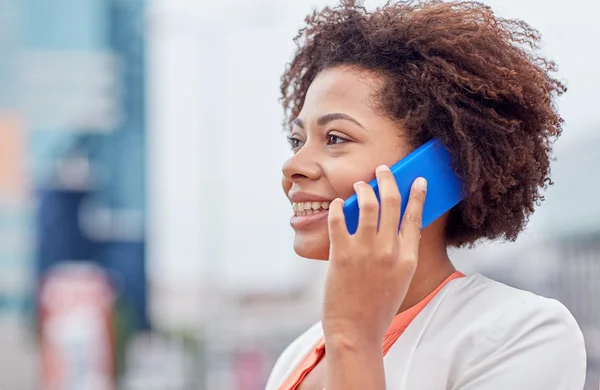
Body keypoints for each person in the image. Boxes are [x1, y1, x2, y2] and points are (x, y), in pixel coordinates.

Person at [265, 1, 587, 389]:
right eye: (297, 140)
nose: (293, 166)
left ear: (437, 167)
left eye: (335, 138)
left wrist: (355, 340)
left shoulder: (523, 334)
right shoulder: (299, 353)